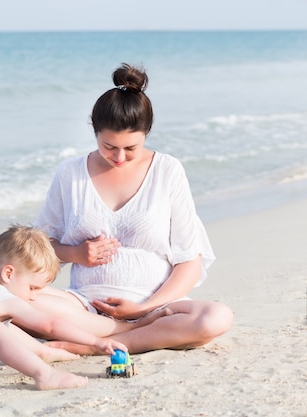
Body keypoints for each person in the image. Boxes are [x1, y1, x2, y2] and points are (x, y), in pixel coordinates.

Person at [31, 63, 233, 355]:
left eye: (131, 148)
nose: (120, 157)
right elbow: (40, 248)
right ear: (94, 130)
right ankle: (123, 335)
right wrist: (75, 253)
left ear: (146, 133)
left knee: (217, 317)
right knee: (9, 295)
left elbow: (190, 261)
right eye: (108, 146)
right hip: (84, 306)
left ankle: (98, 345)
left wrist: (143, 308)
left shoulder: (167, 171)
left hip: (156, 308)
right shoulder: (70, 173)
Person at [0, 225, 167, 390]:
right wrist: (96, 342)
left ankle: (46, 354)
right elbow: (50, 324)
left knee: (1, 327)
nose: (35, 295)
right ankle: (44, 375)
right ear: (9, 273)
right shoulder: (3, 298)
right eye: (33, 287)